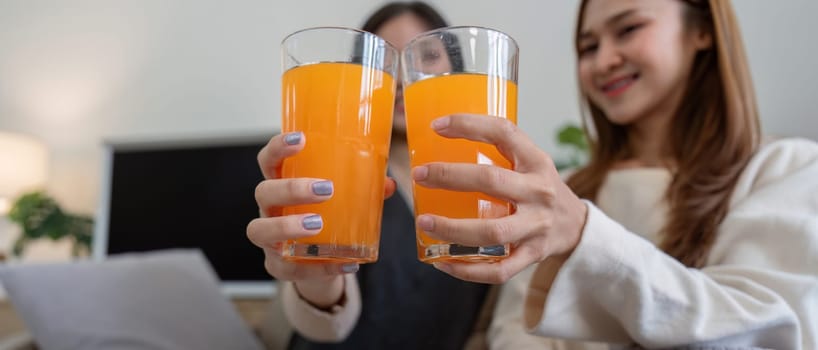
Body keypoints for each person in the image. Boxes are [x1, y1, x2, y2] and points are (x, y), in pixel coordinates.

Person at [395, 0, 816, 348]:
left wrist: (584, 236)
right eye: (588, 46)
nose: (604, 61)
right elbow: (513, 335)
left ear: (701, 30)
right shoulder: (569, 188)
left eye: (628, 29)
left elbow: (775, 332)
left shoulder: (786, 169)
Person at [248, 2, 537, 349]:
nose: (401, 76)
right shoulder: (340, 167)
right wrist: (317, 278)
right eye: (388, 61)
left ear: (457, 70)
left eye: (425, 56)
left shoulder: (495, 178)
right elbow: (327, 321)